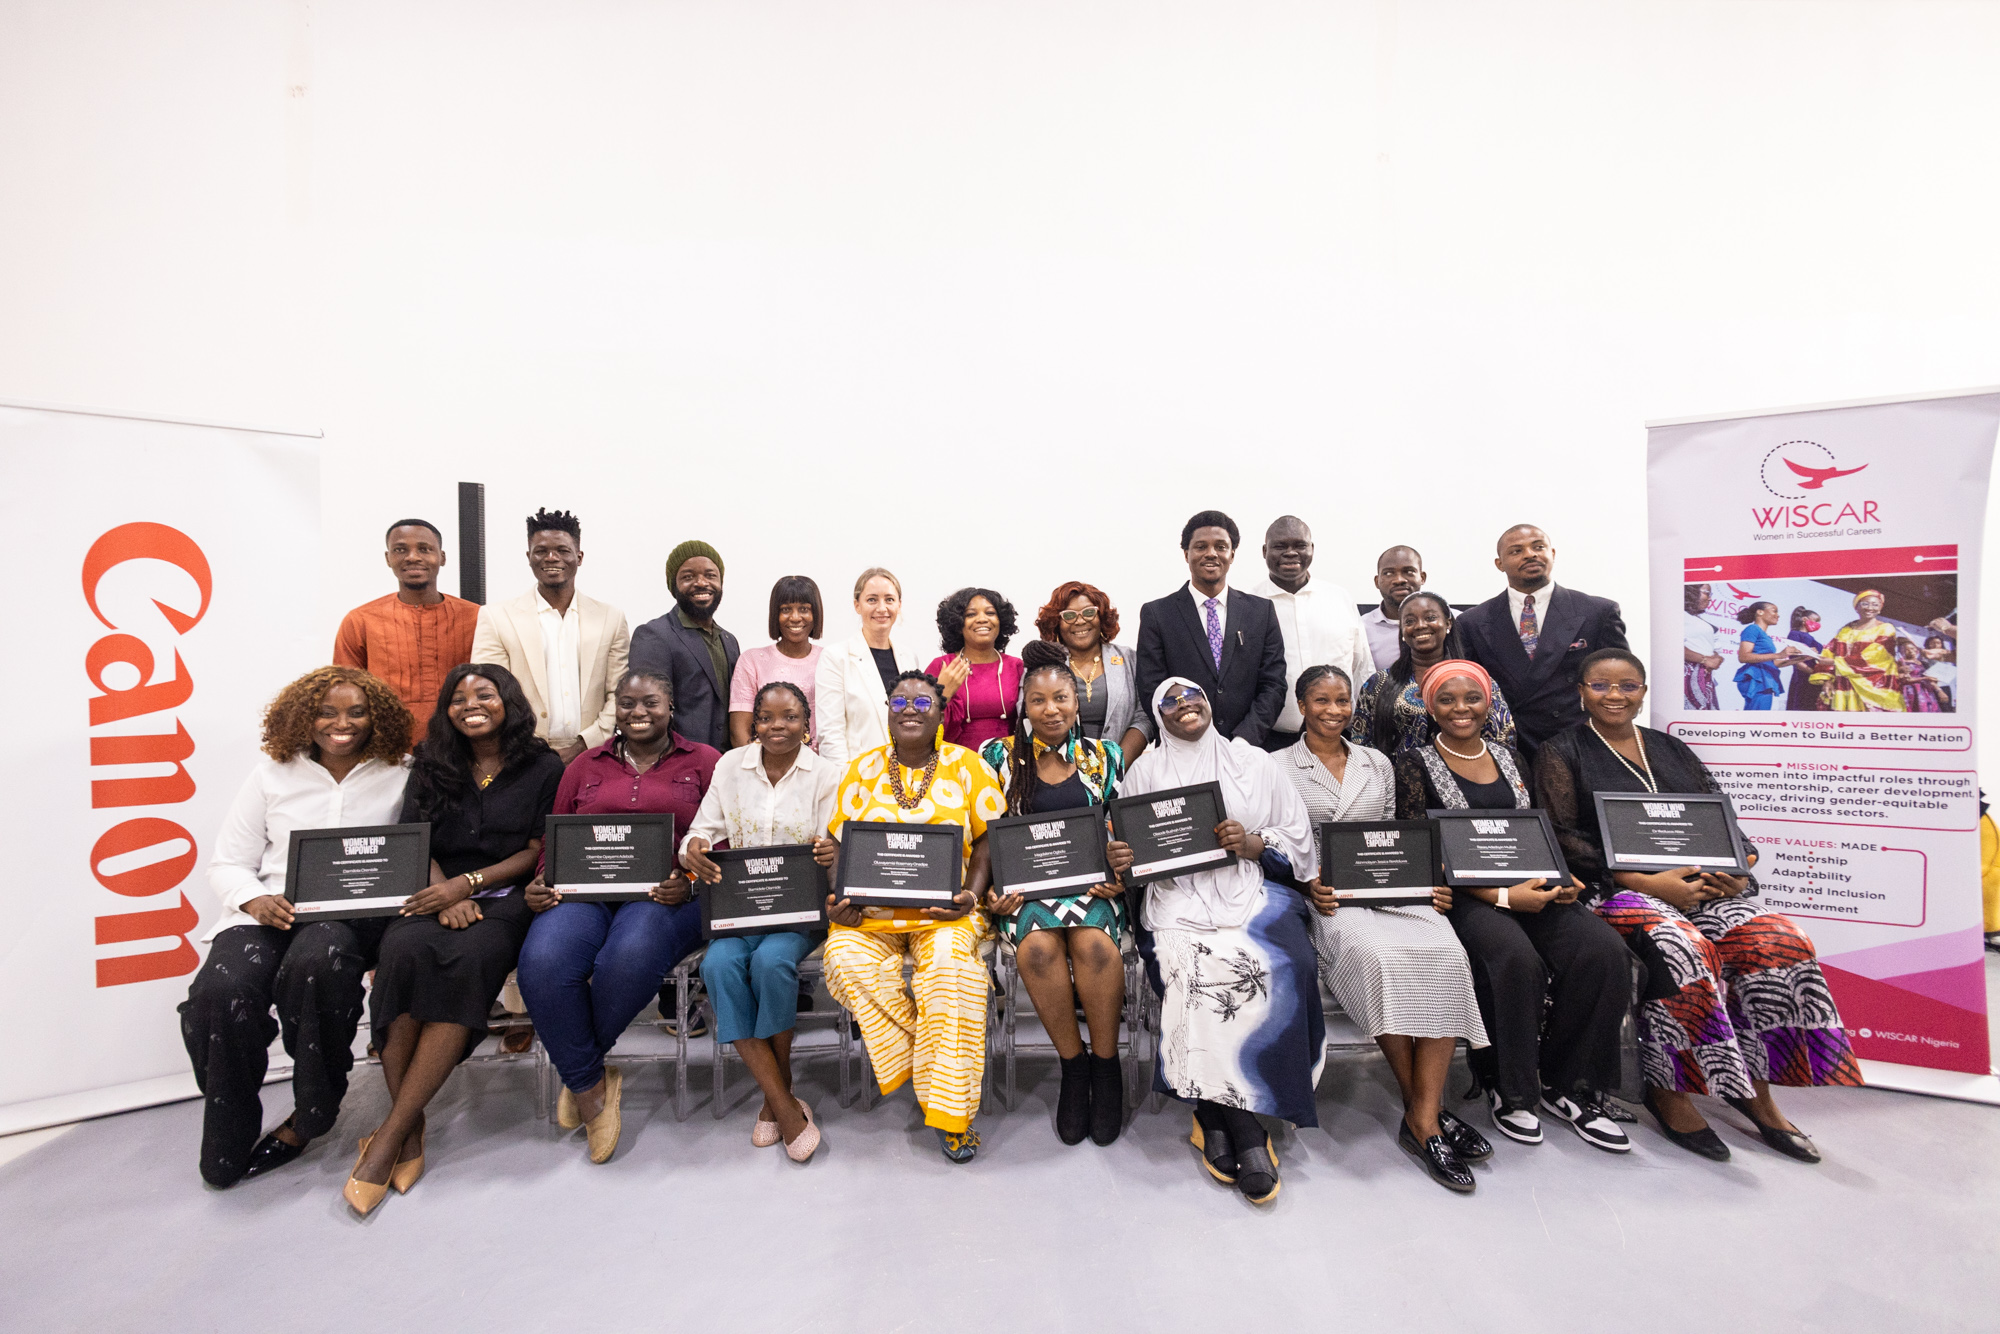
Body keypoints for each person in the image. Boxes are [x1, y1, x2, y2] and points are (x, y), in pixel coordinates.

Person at [1534, 648, 1862, 1162]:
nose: (1615, 695)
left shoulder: (1671, 748)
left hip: (1704, 885)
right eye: (1600, 685)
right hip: (1615, 890)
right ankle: (1669, 1087)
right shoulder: (1562, 751)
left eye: (1627, 685)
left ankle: (1754, 1090)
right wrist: (1645, 881)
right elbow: (1562, 836)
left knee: (1777, 940)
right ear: (1581, 693)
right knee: (1678, 945)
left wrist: (1737, 864)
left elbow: (1718, 814)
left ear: (1643, 692)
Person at [179, 667, 414, 1188]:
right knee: (219, 995)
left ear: (377, 718)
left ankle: (311, 1116)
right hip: (269, 910)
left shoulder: (402, 773)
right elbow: (228, 863)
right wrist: (254, 900)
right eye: (326, 713)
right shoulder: (272, 774)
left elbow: (414, 854)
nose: (341, 724)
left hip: (349, 918)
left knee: (316, 966)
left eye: (356, 712)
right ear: (303, 718)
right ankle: (227, 1134)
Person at [346, 663, 565, 1215]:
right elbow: (414, 838)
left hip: (505, 897)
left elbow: (537, 850)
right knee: (401, 954)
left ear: (508, 701)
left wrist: (469, 885)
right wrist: (445, 893)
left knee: (469, 960)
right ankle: (409, 1126)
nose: (471, 705)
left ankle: (391, 1135)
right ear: (446, 711)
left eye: (484, 694)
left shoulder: (542, 765)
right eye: (458, 698)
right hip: (431, 887)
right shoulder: (430, 761)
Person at [1391, 659, 1633, 1153]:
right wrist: (1501, 896)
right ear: (1431, 708)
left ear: (1489, 703)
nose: (1461, 708)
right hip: (1463, 898)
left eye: (1472, 698)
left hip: (1532, 887)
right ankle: (1511, 1089)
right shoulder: (1413, 764)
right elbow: (1422, 850)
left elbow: (1534, 832)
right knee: (1514, 958)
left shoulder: (1513, 758)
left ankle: (1569, 1085)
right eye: (1447, 700)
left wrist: (1560, 879)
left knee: (1602, 951)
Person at [1277, 665, 1492, 1193]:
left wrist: (1429, 883)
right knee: (1379, 958)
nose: (1334, 710)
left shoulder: (1377, 761)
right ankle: (1427, 1119)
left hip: (1394, 890)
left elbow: (1399, 834)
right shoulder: (1277, 766)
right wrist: (1307, 884)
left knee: (1447, 955)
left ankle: (1422, 1111)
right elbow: (1276, 839)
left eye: (1342, 700)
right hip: (1329, 898)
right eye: (1321, 700)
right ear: (1301, 706)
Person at [1120, 677, 1322, 1204]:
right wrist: (1124, 856)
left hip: (1246, 890)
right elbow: (1128, 847)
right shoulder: (1144, 772)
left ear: (1209, 704)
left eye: (1193, 697)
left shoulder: (1253, 762)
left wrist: (1252, 843)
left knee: (1286, 964)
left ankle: (1221, 1115)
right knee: (1190, 967)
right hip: (1175, 899)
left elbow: (1295, 835)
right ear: (1158, 717)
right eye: (1170, 701)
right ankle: (1238, 1124)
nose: (1184, 705)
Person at [516, 669, 721, 1165]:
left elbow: (725, 837)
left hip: (666, 895)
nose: (638, 712)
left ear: (670, 706)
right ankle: (590, 1083)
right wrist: (543, 880)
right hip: (582, 895)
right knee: (542, 963)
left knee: (628, 958)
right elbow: (555, 838)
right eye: (627, 703)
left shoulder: (705, 761)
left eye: (650, 702)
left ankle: (578, 1072)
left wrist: (690, 881)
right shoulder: (584, 765)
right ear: (616, 709)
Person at [819, 671, 1004, 1163]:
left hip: (947, 912)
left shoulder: (968, 765)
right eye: (899, 701)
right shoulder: (862, 768)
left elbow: (988, 838)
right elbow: (839, 841)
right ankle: (932, 1061)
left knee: (949, 973)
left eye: (923, 702)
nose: (909, 709)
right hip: (873, 914)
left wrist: (970, 895)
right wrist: (841, 896)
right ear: (887, 710)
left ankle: (950, 1115)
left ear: (941, 713)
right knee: (843, 958)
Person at [979, 640, 1133, 1147]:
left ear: (1076, 702)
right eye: (1039, 700)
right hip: (1023, 893)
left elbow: (1118, 827)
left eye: (1061, 698)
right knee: (1039, 949)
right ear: (1024, 705)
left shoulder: (1105, 755)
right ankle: (1073, 1065)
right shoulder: (997, 755)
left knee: (1094, 944)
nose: (1051, 709)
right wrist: (993, 891)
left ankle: (1105, 1065)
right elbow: (986, 833)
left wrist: (1120, 872)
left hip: (1093, 885)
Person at [683, 681, 840, 1162]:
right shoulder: (731, 765)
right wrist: (694, 849)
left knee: (772, 964)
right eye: (767, 718)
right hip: (742, 906)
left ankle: (778, 1093)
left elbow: (833, 843)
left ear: (806, 725)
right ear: (754, 724)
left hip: (799, 907)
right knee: (718, 966)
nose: (778, 726)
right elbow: (701, 830)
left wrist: (830, 850)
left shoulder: (827, 774)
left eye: (790, 717)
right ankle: (781, 1096)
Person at [469, 508, 630, 762]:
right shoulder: (497, 617)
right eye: (541, 551)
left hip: (594, 754)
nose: (552, 558)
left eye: (562, 550)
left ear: (579, 557)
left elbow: (619, 693)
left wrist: (584, 745)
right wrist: (534, 750)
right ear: (529, 557)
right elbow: (489, 694)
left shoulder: (611, 618)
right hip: (521, 755)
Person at [1456, 524, 1628, 760]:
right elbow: (1469, 690)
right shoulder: (1473, 622)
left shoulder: (1597, 612)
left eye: (1538, 547)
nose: (1530, 554)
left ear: (1552, 553)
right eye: (1516, 551)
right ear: (1499, 564)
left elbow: (1621, 681)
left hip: (1580, 745)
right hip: (1508, 748)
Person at [1134, 510, 1288, 748]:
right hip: (1182, 749)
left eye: (1220, 547)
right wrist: (1191, 736)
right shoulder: (1157, 614)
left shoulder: (1261, 612)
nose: (1211, 553)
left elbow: (1273, 684)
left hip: (1247, 749)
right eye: (1200, 547)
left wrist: (1244, 739)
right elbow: (1151, 689)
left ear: (1232, 554)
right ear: (1186, 554)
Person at [332, 519, 480, 732]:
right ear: (388, 558)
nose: (412, 557)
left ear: (442, 557)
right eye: (400, 550)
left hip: (461, 740)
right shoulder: (360, 621)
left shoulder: (477, 617)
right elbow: (345, 694)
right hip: (386, 743)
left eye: (424, 549)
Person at [1247, 515, 1375, 752]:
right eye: (1280, 546)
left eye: (1300, 545)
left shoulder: (1339, 599)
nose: (1290, 553)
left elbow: (1362, 668)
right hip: (1271, 742)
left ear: (1312, 549)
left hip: (1340, 738)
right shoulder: (1248, 605)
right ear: (1264, 551)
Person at [1349, 592, 1517, 755]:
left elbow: (1502, 740)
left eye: (1430, 618)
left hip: (1467, 772)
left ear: (1448, 624)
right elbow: (1361, 744)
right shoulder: (1378, 683)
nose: (1420, 625)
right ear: (1402, 630)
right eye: (1410, 621)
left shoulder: (1477, 680)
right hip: (1392, 773)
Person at [629, 540, 741, 753]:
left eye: (710, 575)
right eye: (688, 577)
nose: (701, 583)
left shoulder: (729, 640)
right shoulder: (654, 635)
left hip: (727, 762)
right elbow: (648, 712)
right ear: (674, 586)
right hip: (678, 762)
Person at [1033, 580, 1151, 766]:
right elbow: (1031, 717)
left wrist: (1116, 766)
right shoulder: (1042, 665)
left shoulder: (1129, 659)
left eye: (1089, 612)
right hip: (1059, 771)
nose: (1080, 621)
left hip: (1123, 770)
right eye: (1069, 615)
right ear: (1056, 623)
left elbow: (1144, 716)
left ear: (1101, 617)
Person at [814, 567, 923, 767]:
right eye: (872, 600)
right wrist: (846, 780)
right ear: (857, 605)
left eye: (889, 599)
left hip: (906, 773)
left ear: (899, 605)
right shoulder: (835, 657)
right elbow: (830, 733)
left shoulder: (909, 658)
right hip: (859, 776)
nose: (882, 608)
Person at [727, 575, 825, 748]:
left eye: (804, 609)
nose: (795, 617)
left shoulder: (830, 660)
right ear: (775, 614)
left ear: (815, 613)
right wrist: (759, 764)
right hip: (762, 763)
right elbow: (739, 732)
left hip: (819, 762)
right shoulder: (752, 661)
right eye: (786, 609)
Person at [927, 587, 1025, 750]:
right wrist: (942, 696)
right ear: (958, 624)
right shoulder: (942, 666)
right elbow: (922, 723)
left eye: (990, 613)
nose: (982, 619)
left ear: (1001, 620)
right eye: (971, 614)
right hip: (954, 760)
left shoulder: (1016, 666)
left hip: (1007, 761)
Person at [1806, 589, 1907, 712]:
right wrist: (1827, 680)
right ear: (1857, 607)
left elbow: (1875, 656)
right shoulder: (1846, 630)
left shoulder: (1886, 629)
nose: (1870, 608)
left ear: (1880, 608)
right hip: (1845, 685)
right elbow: (1829, 652)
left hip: (1875, 687)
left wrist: (1835, 662)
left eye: (1875, 604)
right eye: (1865, 603)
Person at [1361, 546, 1427, 674]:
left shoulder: (1451, 620)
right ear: (1377, 581)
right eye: (1388, 573)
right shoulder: (1361, 628)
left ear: (1422, 577)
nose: (1399, 580)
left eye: (1409, 571)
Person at [1733, 601, 1801, 711]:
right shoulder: (1752, 629)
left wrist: (1799, 659)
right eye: (1774, 611)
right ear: (1760, 612)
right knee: (1756, 717)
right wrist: (1778, 655)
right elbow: (1743, 657)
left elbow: (1771, 663)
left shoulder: (1765, 635)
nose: (1778, 615)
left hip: (1765, 679)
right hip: (1757, 679)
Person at [1683, 583, 1725, 710]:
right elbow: (1672, 646)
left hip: (1704, 676)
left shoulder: (1697, 620)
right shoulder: (1677, 616)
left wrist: (1716, 658)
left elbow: (1713, 649)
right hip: (1687, 675)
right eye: (1707, 593)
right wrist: (1705, 660)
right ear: (1691, 592)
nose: (1710, 598)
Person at [1784, 606, 1824, 712]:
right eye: (1815, 621)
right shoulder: (1794, 634)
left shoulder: (1810, 637)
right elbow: (1796, 660)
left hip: (1813, 679)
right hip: (1802, 679)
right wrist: (1813, 672)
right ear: (1805, 619)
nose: (1817, 624)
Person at [1895, 638, 1947, 712]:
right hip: (1910, 692)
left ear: (1916, 649)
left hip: (1925, 692)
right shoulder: (1901, 663)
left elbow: (1929, 678)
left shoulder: (1922, 663)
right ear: (1901, 651)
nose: (1910, 651)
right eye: (1906, 649)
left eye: (1912, 648)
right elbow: (1903, 679)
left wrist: (1939, 691)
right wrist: (1924, 679)